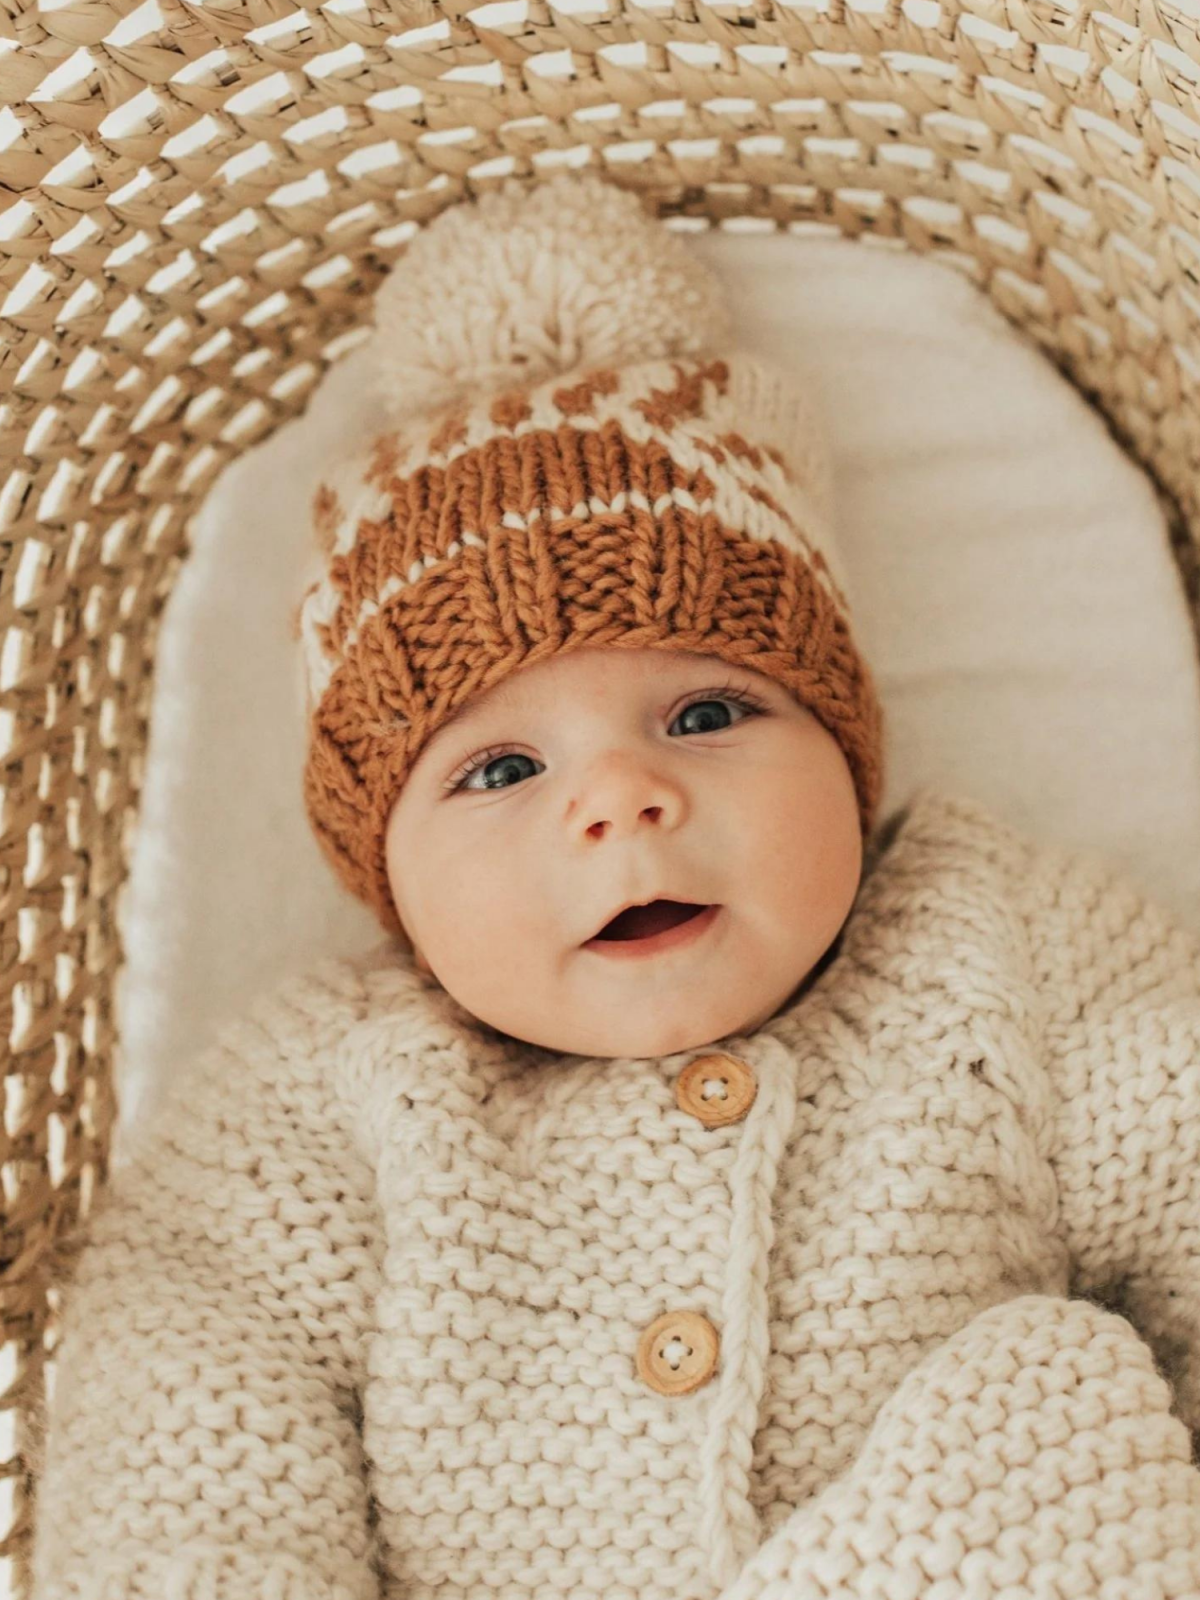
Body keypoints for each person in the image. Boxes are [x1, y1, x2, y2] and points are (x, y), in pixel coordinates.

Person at [30, 172, 1200, 1600]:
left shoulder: (1005, 943)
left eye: (708, 716)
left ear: (843, 746)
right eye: (500, 771)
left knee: (1059, 1421)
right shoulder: (328, 1099)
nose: (620, 798)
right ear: (384, 876)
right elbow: (188, 1429)